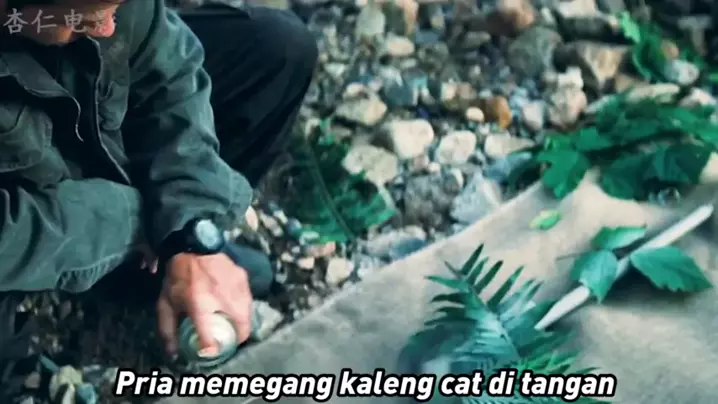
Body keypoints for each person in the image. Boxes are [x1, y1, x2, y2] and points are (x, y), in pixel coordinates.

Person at [0, 0, 317, 362]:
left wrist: (188, 230)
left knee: (277, 47)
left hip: (88, 155)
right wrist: (136, 222)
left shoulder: (104, 11)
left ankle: (166, 271)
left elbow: (170, 78)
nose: (107, 28)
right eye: (86, 17)